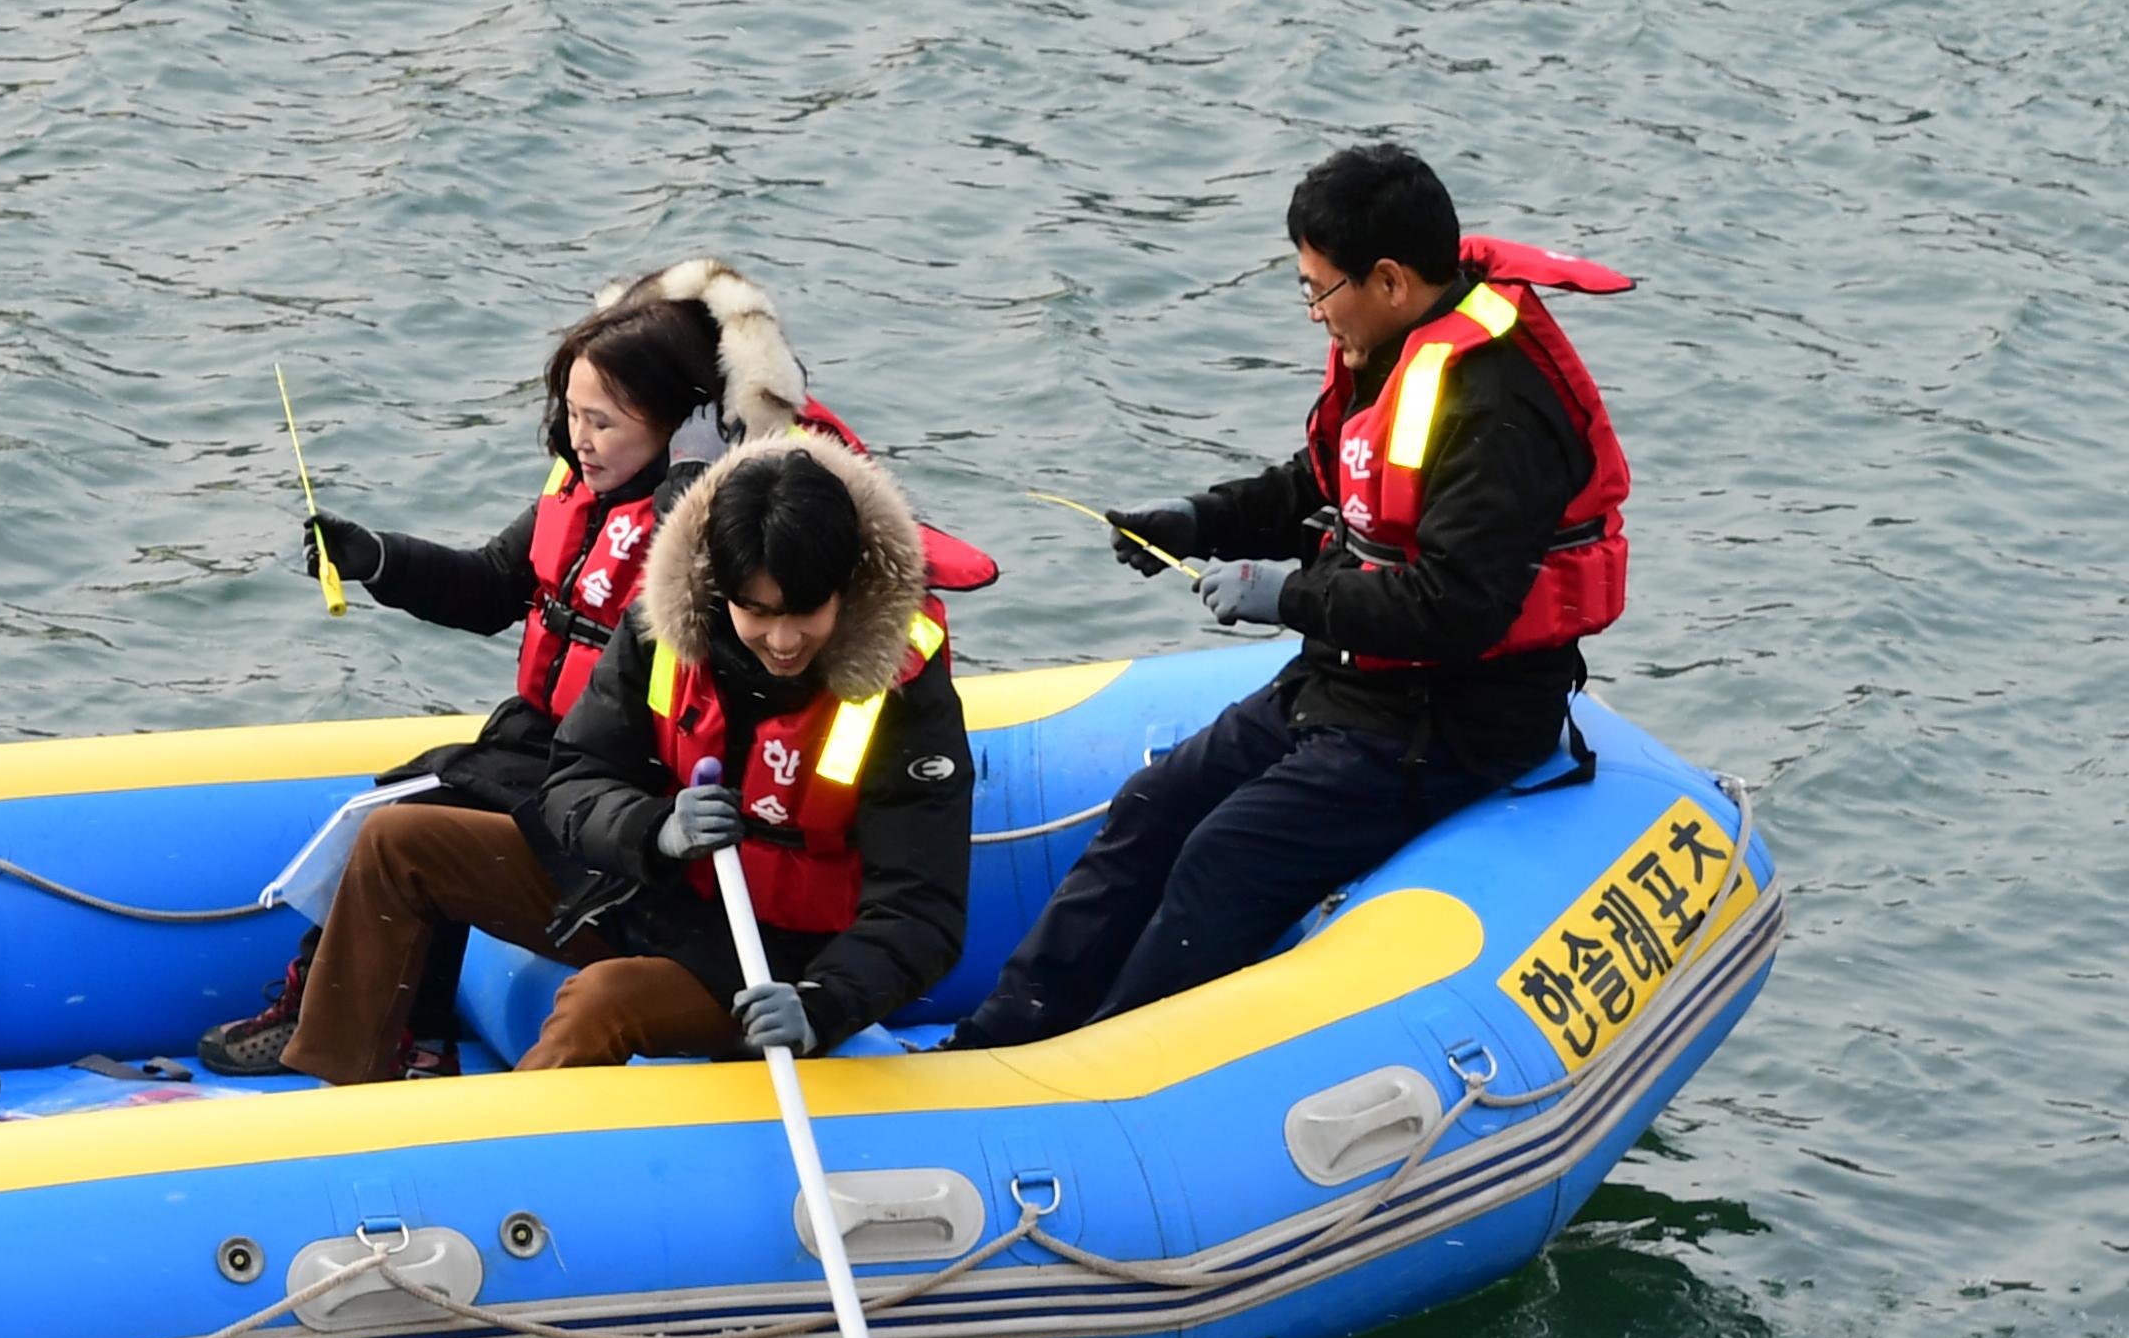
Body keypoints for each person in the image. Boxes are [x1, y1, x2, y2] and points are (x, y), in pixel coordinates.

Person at [949, 143, 1633, 1047]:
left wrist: (1284, 595)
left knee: (1224, 859)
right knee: (1153, 807)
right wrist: (1196, 522)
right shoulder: (1391, 352)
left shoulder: (1499, 409)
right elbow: (1320, 483)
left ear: (1387, 280)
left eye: (1319, 290)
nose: (1314, 313)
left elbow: (1457, 608)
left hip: (1452, 719)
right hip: (1348, 683)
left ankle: (1102, 1065)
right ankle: (1002, 1037)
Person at [197, 260, 802, 1077]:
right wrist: (378, 558)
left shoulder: (723, 535)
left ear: (683, 424)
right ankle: (379, 1029)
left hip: (625, 788)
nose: (578, 439)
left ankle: (397, 1033)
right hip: (544, 749)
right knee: (419, 793)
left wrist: (694, 485)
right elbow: (491, 584)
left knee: (447, 798)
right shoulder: (584, 489)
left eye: (603, 423)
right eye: (573, 415)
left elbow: (692, 615)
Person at [282, 434, 974, 1081]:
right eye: (757, 611)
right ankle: (346, 1099)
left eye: (805, 611)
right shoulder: (664, 628)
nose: (784, 639)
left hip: (777, 961)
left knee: (600, 1001)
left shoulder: (905, 692)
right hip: (651, 892)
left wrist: (822, 1002)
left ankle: (496, 1169)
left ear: (844, 588)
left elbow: (921, 910)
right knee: (399, 840)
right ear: (720, 589)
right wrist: (655, 829)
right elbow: (577, 776)